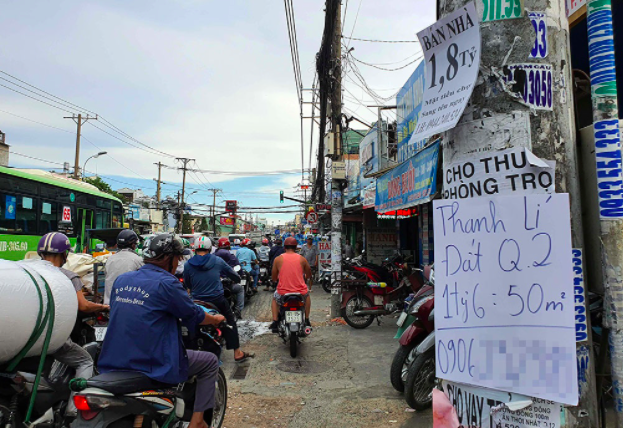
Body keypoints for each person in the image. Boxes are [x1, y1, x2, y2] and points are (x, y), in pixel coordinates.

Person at [98, 234, 224, 428]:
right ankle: (198, 421)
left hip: (114, 358)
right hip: (152, 362)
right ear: (169, 258)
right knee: (209, 361)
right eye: (178, 258)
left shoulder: (122, 280)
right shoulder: (167, 283)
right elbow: (193, 314)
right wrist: (215, 319)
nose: (179, 262)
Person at [37, 232, 109, 416]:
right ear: (64, 254)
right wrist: (103, 306)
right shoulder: (68, 276)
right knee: (85, 360)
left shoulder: (33, 272)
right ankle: (74, 410)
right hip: (52, 336)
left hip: (29, 334)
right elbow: (83, 306)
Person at [184, 236, 254, 362]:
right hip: (216, 300)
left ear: (194, 249)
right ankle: (237, 352)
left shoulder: (188, 264)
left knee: (190, 323)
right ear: (210, 248)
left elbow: (188, 284)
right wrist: (237, 278)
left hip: (197, 301)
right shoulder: (217, 260)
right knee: (230, 321)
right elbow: (232, 274)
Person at [270, 237, 312, 333]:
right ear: (296, 247)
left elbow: (274, 276)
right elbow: (309, 273)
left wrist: (275, 280)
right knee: (307, 297)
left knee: (274, 299)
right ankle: (307, 319)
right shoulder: (302, 259)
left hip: (283, 292)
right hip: (300, 292)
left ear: (284, 247)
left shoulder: (278, 259)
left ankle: (275, 322)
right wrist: (306, 277)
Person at [104, 229, 143, 304]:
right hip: (128, 305)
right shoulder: (138, 260)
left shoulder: (110, 259)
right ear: (133, 245)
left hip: (109, 304)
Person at [214, 238, 245, 312]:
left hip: (214, 286)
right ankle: (238, 310)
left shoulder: (213, 255)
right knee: (240, 289)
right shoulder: (230, 255)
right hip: (227, 284)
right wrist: (240, 275)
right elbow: (236, 268)